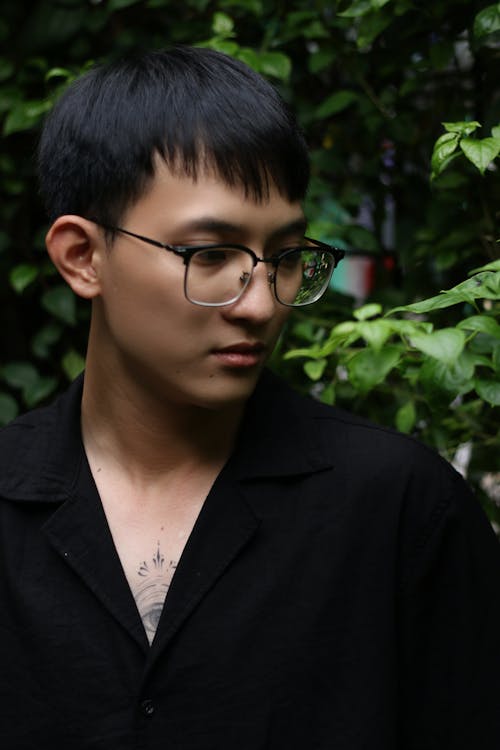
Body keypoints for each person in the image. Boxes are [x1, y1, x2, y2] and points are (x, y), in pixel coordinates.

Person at [0, 46, 499, 750]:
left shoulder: (400, 508)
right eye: (209, 256)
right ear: (83, 256)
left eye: (286, 257)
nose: (261, 304)